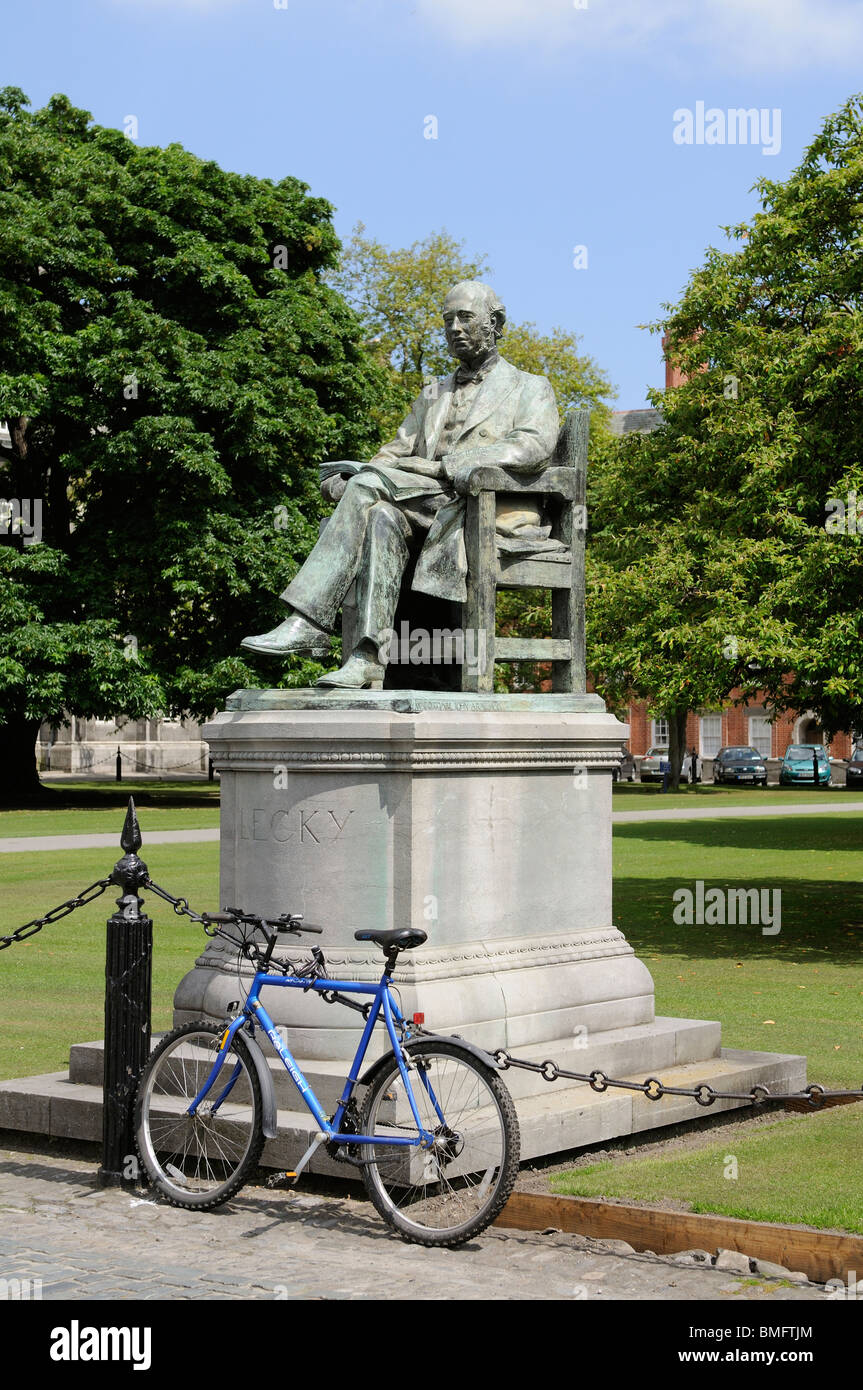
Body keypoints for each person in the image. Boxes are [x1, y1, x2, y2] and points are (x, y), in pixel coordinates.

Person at [241, 280, 559, 687]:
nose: (455, 328)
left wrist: (457, 464)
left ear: (495, 323)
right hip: (426, 505)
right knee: (380, 517)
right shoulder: (433, 393)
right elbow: (393, 452)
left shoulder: (529, 387)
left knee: (369, 489)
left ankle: (307, 622)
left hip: (482, 507)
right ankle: (368, 658)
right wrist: (357, 474)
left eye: (465, 318)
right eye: (448, 320)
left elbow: (534, 445)